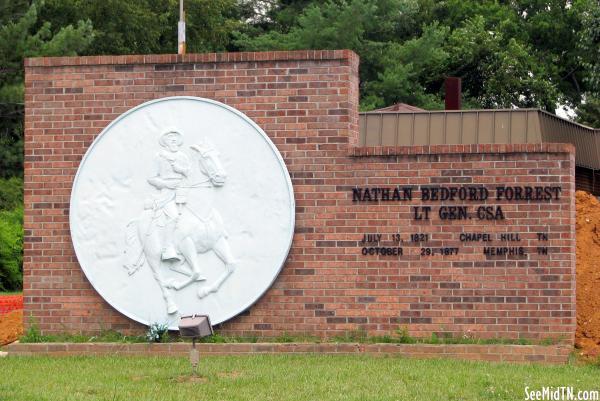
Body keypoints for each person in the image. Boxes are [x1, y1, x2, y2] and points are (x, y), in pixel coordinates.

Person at [147, 129, 191, 261]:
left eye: (176, 138)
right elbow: (151, 178)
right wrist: (166, 185)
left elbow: (190, 173)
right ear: (164, 142)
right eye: (170, 138)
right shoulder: (159, 157)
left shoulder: (183, 156)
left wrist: (180, 169)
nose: (173, 140)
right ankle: (167, 249)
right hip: (167, 193)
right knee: (174, 216)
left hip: (184, 189)